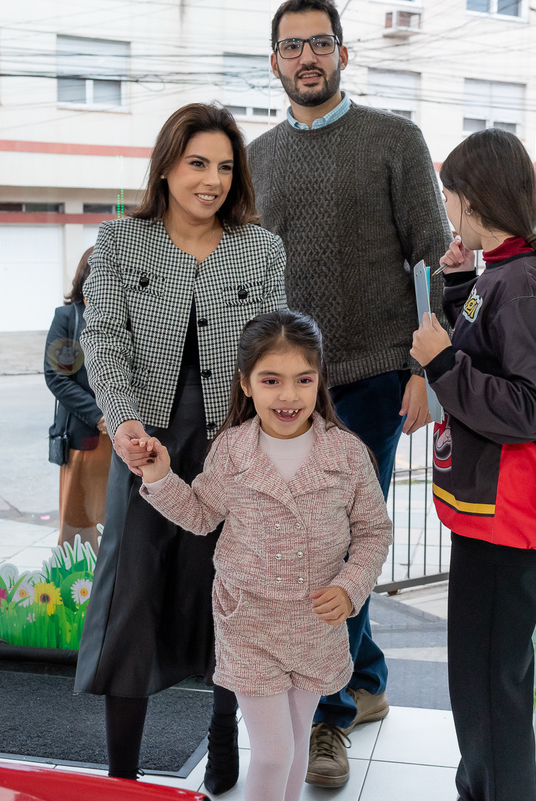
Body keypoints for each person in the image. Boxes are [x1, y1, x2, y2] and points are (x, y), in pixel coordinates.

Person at [247, 0, 452, 786]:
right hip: (282, 392)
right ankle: (363, 679)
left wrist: (424, 372)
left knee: (336, 545)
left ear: (343, 54)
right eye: (292, 46)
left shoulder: (394, 141)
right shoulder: (256, 156)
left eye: (320, 44)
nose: (307, 57)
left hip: (371, 380)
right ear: (273, 61)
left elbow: (433, 263)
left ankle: (329, 720)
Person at [75, 103, 287, 792]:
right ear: (166, 166)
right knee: (131, 598)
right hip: (146, 443)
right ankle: (122, 774)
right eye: (198, 162)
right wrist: (125, 420)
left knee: (227, 593)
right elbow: (103, 338)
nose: (213, 179)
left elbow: (274, 351)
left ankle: (222, 741)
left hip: (231, 443)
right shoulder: (119, 241)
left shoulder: (262, 249)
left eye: (226, 166)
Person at [138, 310, 392, 801]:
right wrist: (160, 477)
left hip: (316, 624)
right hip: (249, 622)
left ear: (321, 382)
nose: (289, 395)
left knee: (297, 745)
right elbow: (200, 515)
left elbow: (373, 532)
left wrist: (351, 586)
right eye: (271, 380)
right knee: (274, 752)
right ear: (246, 384)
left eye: (304, 380)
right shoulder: (231, 450)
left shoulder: (347, 454)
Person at [409, 128, 536, 801]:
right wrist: (457, 286)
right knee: (481, 682)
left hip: (505, 516)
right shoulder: (504, 272)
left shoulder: (520, 282)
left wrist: (441, 362)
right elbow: (486, 349)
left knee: (494, 688)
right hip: (490, 514)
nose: (448, 208)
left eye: (450, 196)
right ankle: (478, 787)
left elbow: (530, 407)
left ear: (472, 198)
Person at [45, 247, 109, 554]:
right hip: (89, 437)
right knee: (80, 527)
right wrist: (99, 416)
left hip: (131, 438)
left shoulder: (131, 318)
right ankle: (78, 595)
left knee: (118, 524)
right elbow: (58, 377)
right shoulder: (69, 318)